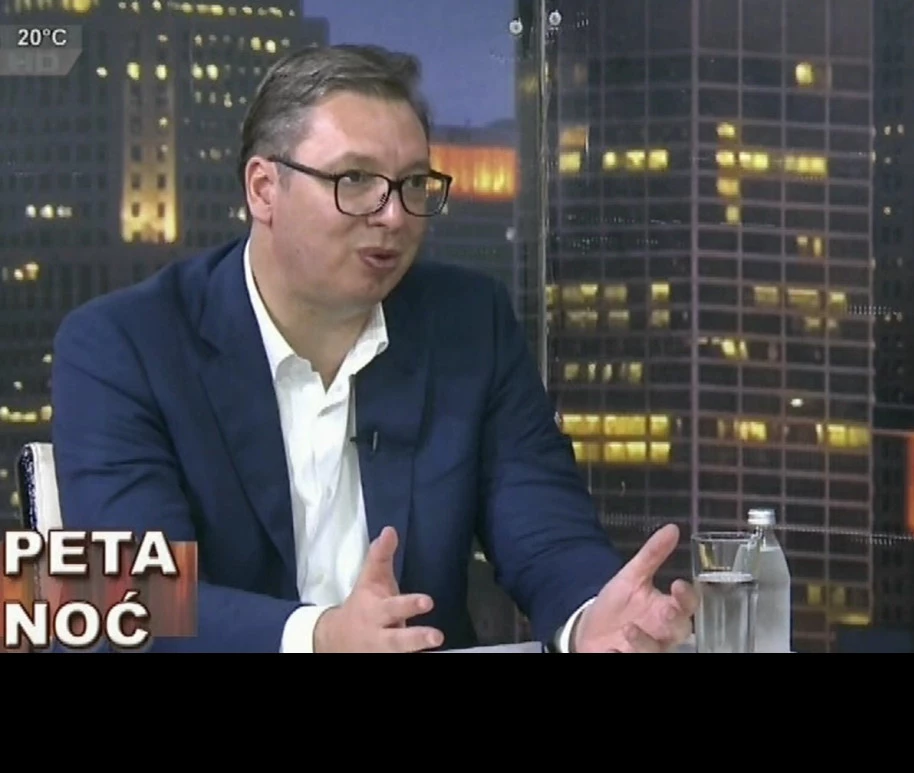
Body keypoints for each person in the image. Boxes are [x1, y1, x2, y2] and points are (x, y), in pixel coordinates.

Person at [49, 44, 698, 653]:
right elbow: (133, 596)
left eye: (413, 183)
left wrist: (590, 617)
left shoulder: (468, 323)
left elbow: (543, 528)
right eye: (356, 179)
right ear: (264, 189)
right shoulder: (124, 346)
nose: (394, 215)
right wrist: (320, 636)